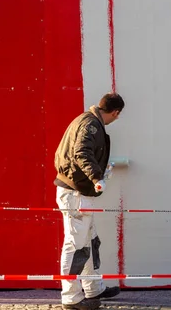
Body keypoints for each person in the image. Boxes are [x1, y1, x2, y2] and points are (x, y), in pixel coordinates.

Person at [53, 93, 125, 310]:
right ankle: (71, 298)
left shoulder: (86, 120)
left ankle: (93, 289)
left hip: (79, 192)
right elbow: (81, 152)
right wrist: (96, 177)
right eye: (117, 116)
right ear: (115, 112)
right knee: (76, 246)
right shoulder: (91, 125)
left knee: (89, 242)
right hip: (76, 194)